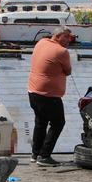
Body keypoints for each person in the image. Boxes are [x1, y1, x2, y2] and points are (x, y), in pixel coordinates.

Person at [27, 27, 73, 166]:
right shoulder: (62, 51)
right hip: (49, 96)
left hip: (33, 92)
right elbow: (68, 71)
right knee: (58, 123)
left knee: (40, 123)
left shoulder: (41, 42)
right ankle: (44, 156)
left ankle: (35, 154)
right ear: (58, 36)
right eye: (67, 37)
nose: (69, 40)